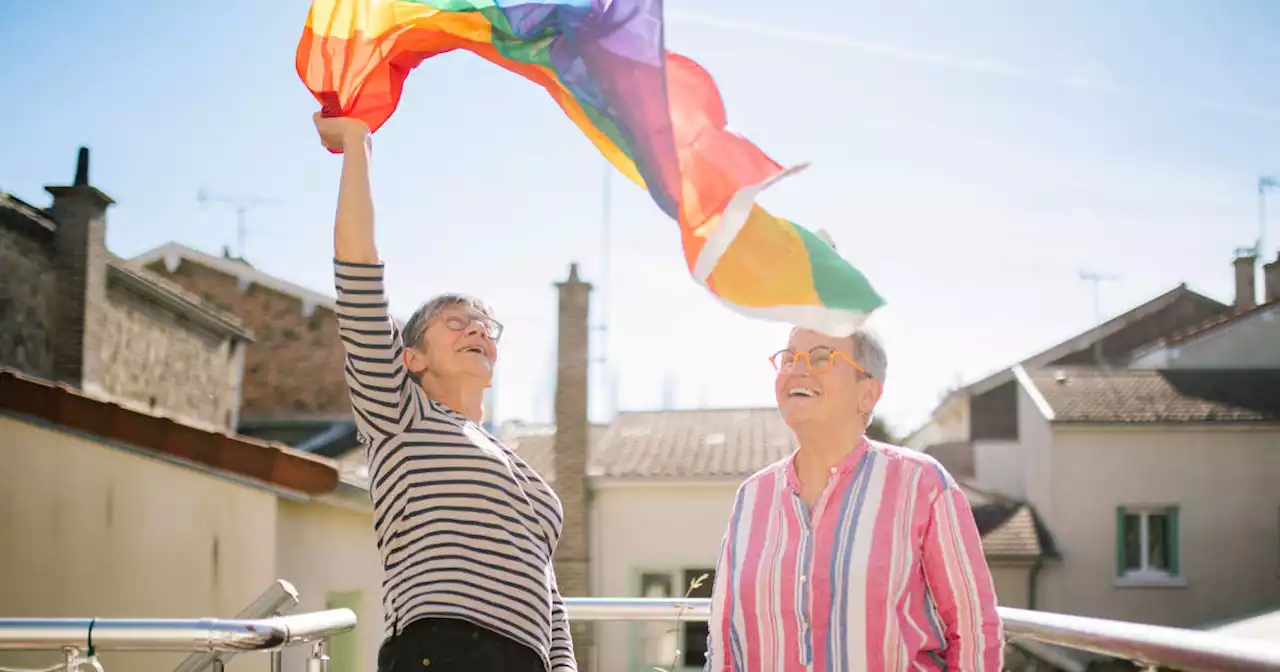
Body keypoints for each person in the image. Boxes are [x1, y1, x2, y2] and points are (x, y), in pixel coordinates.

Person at [314, 112, 576, 672]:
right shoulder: (401, 414)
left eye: (485, 325)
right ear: (412, 358)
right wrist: (356, 147)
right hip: (443, 649)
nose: (477, 329)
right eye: (456, 322)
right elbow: (358, 274)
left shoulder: (514, 463)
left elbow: (547, 599)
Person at [705, 326, 1003, 671]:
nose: (797, 370)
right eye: (789, 358)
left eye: (820, 358)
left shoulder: (923, 485)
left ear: (868, 394)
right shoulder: (752, 496)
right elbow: (723, 641)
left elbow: (974, 632)